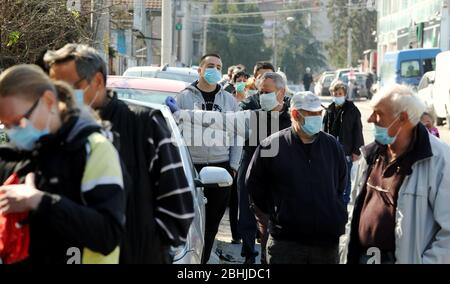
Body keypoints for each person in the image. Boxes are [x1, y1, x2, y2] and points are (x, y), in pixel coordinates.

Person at [44, 44, 194, 264]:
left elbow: (178, 203)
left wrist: (146, 247)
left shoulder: (144, 124)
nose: (61, 99)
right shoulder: (52, 131)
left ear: (97, 82)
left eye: (67, 89)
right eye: (55, 90)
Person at [0, 65, 125, 264]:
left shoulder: (94, 149)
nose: (13, 133)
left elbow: (107, 235)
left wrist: (39, 201)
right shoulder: (17, 155)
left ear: (49, 101)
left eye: (19, 122)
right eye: (6, 126)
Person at [341, 85, 450, 264]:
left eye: (378, 114)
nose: (370, 119)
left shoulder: (439, 160)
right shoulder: (371, 155)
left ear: (402, 118)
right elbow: (354, 210)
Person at [246, 91, 348, 264]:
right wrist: (277, 213)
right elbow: (255, 186)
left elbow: (340, 184)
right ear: (295, 114)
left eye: (319, 113)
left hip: (326, 244)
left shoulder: (332, 145)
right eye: (312, 113)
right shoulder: (272, 146)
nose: (317, 117)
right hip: (286, 243)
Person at [176, 53, 242, 264]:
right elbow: (175, 132)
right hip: (191, 167)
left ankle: (202, 262)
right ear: (200, 70)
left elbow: (237, 135)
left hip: (220, 167)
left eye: (218, 66)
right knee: (188, 222)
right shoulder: (184, 97)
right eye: (210, 65)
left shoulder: (229, 100)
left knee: (212, 223)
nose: (214, 69)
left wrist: (232, 166)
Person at [238, 72, 292, 264]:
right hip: (251, 168)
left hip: (278, 176)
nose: (263, 96)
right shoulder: (253, 111)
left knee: (274, 220)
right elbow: (226, 121)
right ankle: (249, 255)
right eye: (260, 91)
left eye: (267, 92)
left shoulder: (292, 118)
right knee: (246, 212)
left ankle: (267, 257)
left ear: (281, 92)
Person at [323, 80, 364, 205]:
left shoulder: (352, 110)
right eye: (335, 94)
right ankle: (334, 203)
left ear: (345, 94)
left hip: (346, 151)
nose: (337, 96)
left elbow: (358, 131)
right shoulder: (329, 110)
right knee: (332, 178)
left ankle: (344, 204)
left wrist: (356, 151)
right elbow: (324, 131)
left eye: (340, 93)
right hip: (332, 151)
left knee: (345, 180)